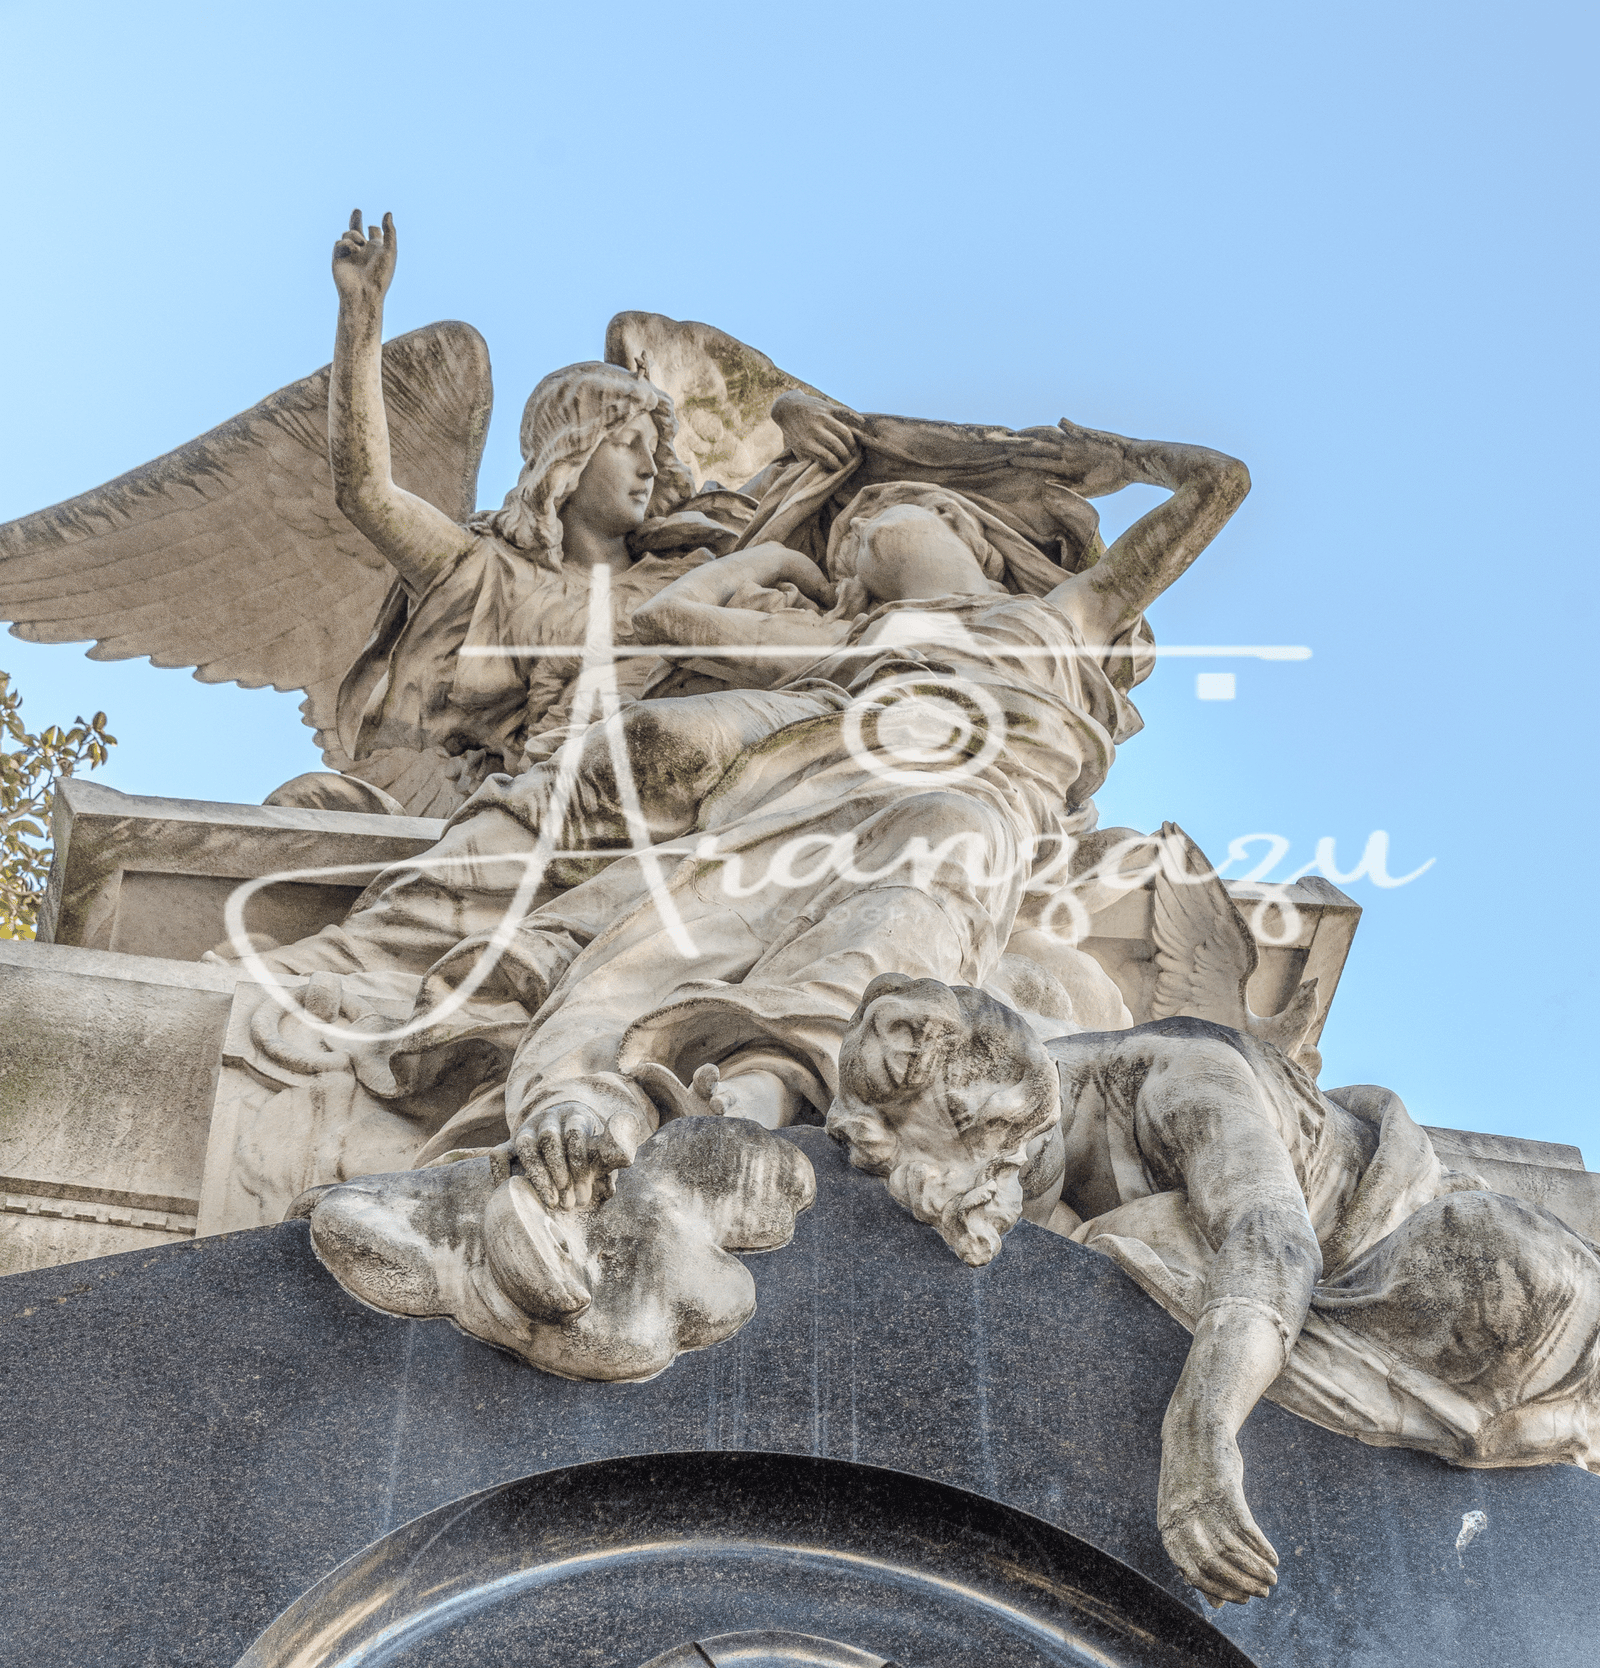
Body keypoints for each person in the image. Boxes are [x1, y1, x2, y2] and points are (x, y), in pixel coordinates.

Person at [826, 974, 1600, 1608]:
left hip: (1473, 1290)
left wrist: (1201, 1436)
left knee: (1145, 1242)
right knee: (1133, 1243)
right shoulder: (1054, 1168)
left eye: (1011, 1179)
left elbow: (1274, 1239)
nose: (1019, 1213)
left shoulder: (1175, 1076)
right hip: (1379, 1341)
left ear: (1025, 1111)